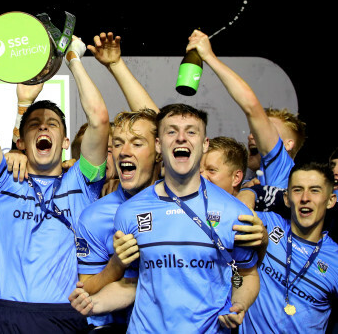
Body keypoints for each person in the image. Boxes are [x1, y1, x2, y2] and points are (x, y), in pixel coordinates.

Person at [0, 36, 109, 332]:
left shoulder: (83, 181)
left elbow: (99, 121)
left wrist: (73, 60)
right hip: (9, 316)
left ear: (66, 142)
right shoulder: (3, 178)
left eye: (52, 124)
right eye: (35, 124)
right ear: (22, 141)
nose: (43, 126)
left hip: (67, 315)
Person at [79, 104, 260, 332]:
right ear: (158, 144)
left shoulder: (234, 211)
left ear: (205, 144)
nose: (181, 138)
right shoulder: (129, 212)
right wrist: (93, 303)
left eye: (191, 132)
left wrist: (239, 304)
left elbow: (247, 274)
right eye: (171, 131)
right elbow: (132, 284)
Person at [188, 30, 306, 189]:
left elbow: (251, 105)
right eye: (254, 131)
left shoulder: (281, 168)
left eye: (267, 129)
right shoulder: (245, 183)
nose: (252, 135)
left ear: (287, 145)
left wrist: (209, 57)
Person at [75, 109, 159, 330]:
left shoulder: (181, 204)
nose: (124, 152)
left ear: (159, 150)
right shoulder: (94, 216)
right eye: (119, 144)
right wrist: (116, 265)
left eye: (137, 143)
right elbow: (86, 287)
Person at [240, 162, 338, 333]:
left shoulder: (336, 260)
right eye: (297, 190)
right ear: (286, 198)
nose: (305, 198)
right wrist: (246, 192)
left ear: (330, 200)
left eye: (315, 190)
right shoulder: (265, 225)